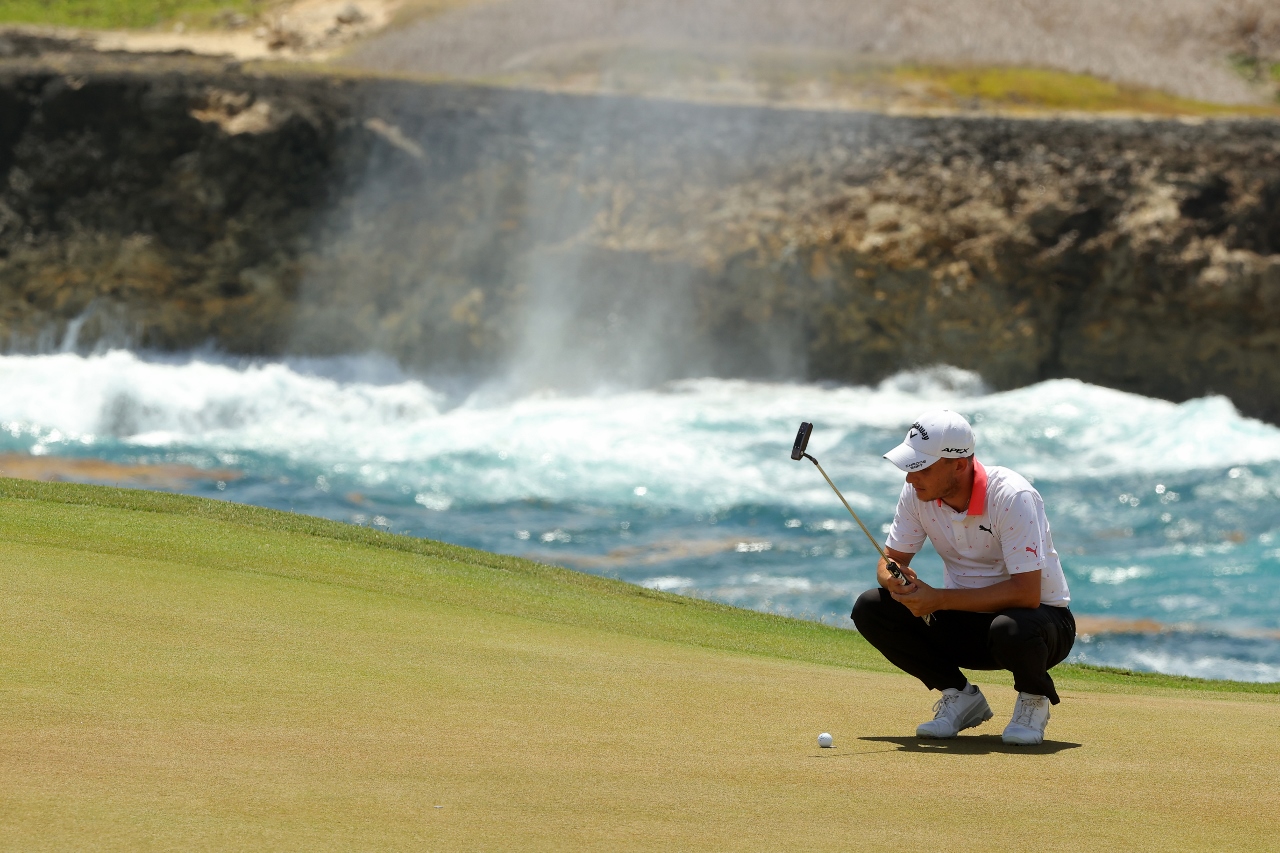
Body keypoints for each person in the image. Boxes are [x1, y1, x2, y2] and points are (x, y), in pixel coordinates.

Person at [851, 409, 1075, 745]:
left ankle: (1033, 698)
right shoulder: (917, 493)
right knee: (871, 606)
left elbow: (1027, 593)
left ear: (959, 464)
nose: (911, 478)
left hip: (1040, 628)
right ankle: (960, 696)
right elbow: (891, 560)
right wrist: (893, 578)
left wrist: (938, 598)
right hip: (967, 626)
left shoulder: (1013, 496)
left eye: (922, 467)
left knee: (1011, 628)